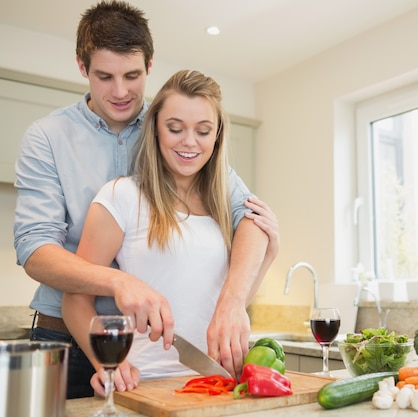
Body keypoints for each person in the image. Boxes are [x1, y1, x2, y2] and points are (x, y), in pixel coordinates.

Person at [13, 0, 278, 399]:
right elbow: (34, 248)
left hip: (145, 349)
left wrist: (233, 302)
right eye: (104, 76)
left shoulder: (173, 127)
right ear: (82, 67)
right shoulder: (48, 137)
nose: (120, 91)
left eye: (132, 75)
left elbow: (249, 217)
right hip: (67, 332)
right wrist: (119, 282)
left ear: (149, 66)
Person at [63, 69, 266, 393]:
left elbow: (225, 300)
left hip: (219, 386)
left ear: (217, 136)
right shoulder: (122, 196)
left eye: (203, 131)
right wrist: (108, 364)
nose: (189, 141)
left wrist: (270, 255)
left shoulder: (226, 208)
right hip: (146, 387)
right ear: (155, 128)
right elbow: (75, 298)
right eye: (175, 128)